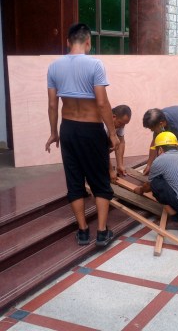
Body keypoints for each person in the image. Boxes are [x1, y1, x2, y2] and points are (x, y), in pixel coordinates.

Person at [45, 23, 120, 247]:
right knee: (100, 180)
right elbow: (102, 102)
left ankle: (83, 231)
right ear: (88, 42)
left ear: (68, 42)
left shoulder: (54, 66)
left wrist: (53, 133)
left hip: (67, 129)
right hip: (91, 130)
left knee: (74, 180)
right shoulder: (95, 64)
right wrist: (113, 133)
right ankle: (103, 232)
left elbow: (51, 104)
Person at [106, 105, 132, 182]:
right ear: (113, 117)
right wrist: (110, 171)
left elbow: (121, 142)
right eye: (121, 123)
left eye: (125, 124)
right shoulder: (102, 124)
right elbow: (101, 149)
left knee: (115, 142)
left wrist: (120, 165)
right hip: (85, 147)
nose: (123, 126)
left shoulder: (120, 124)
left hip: (100, 147)